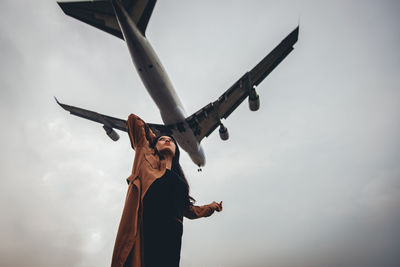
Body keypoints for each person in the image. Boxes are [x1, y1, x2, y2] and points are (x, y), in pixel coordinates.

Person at [111, 114, 223, 267]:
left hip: (172, 243)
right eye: (162, 140)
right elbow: (133, 120)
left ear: (177, 150)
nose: (167, 140)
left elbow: (189, 211)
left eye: (171, 141)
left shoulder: (181, 182)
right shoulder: (145, 159)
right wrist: (154, 138)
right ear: (154, 145)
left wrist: (212, 206)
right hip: (148, 237)